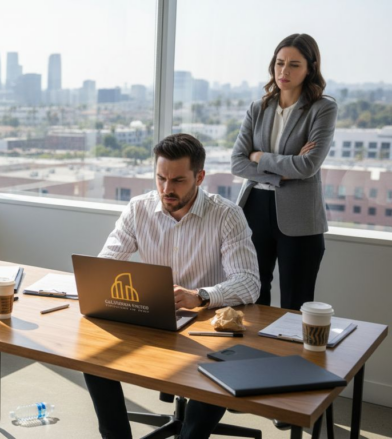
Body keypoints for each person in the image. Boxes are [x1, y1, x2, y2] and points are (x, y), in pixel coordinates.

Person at [84, 134, 260, 439]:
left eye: (178, 180)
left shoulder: (227, 215)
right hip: (154, 320)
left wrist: (201, 296)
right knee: (93, 357)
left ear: (200, 177)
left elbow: (249, 283)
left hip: (207, 326)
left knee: (218, 370)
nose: (166, 189)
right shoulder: (139, 209)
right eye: (161, 178)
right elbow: (106, 266)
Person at [231, 33, 338, 311]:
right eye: (279, 63)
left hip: (300, 216)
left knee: (296, 301)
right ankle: (253, 353)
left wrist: (260, 157)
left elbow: (308, 165)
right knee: (252, 293)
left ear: (310, 68)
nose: (284, 71)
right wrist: (282, 170)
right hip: (254, 207)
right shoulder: (258, 108)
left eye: (294, 64)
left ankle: (292, 356)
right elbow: (237, 163)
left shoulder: (322, 108)